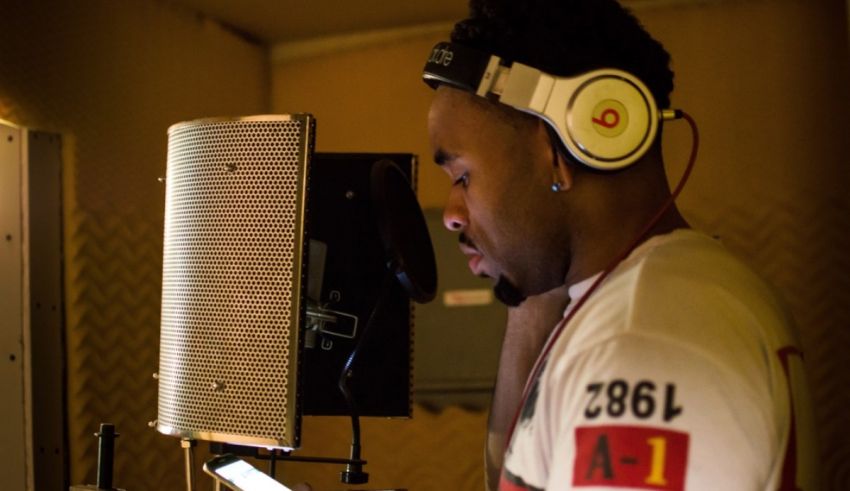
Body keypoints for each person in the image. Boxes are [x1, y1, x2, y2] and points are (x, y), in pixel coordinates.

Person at [423, 0, 818, 490]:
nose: (451, 214)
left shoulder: (640, 338)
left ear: (560, 152)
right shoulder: (636, 301)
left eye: (462, 175)